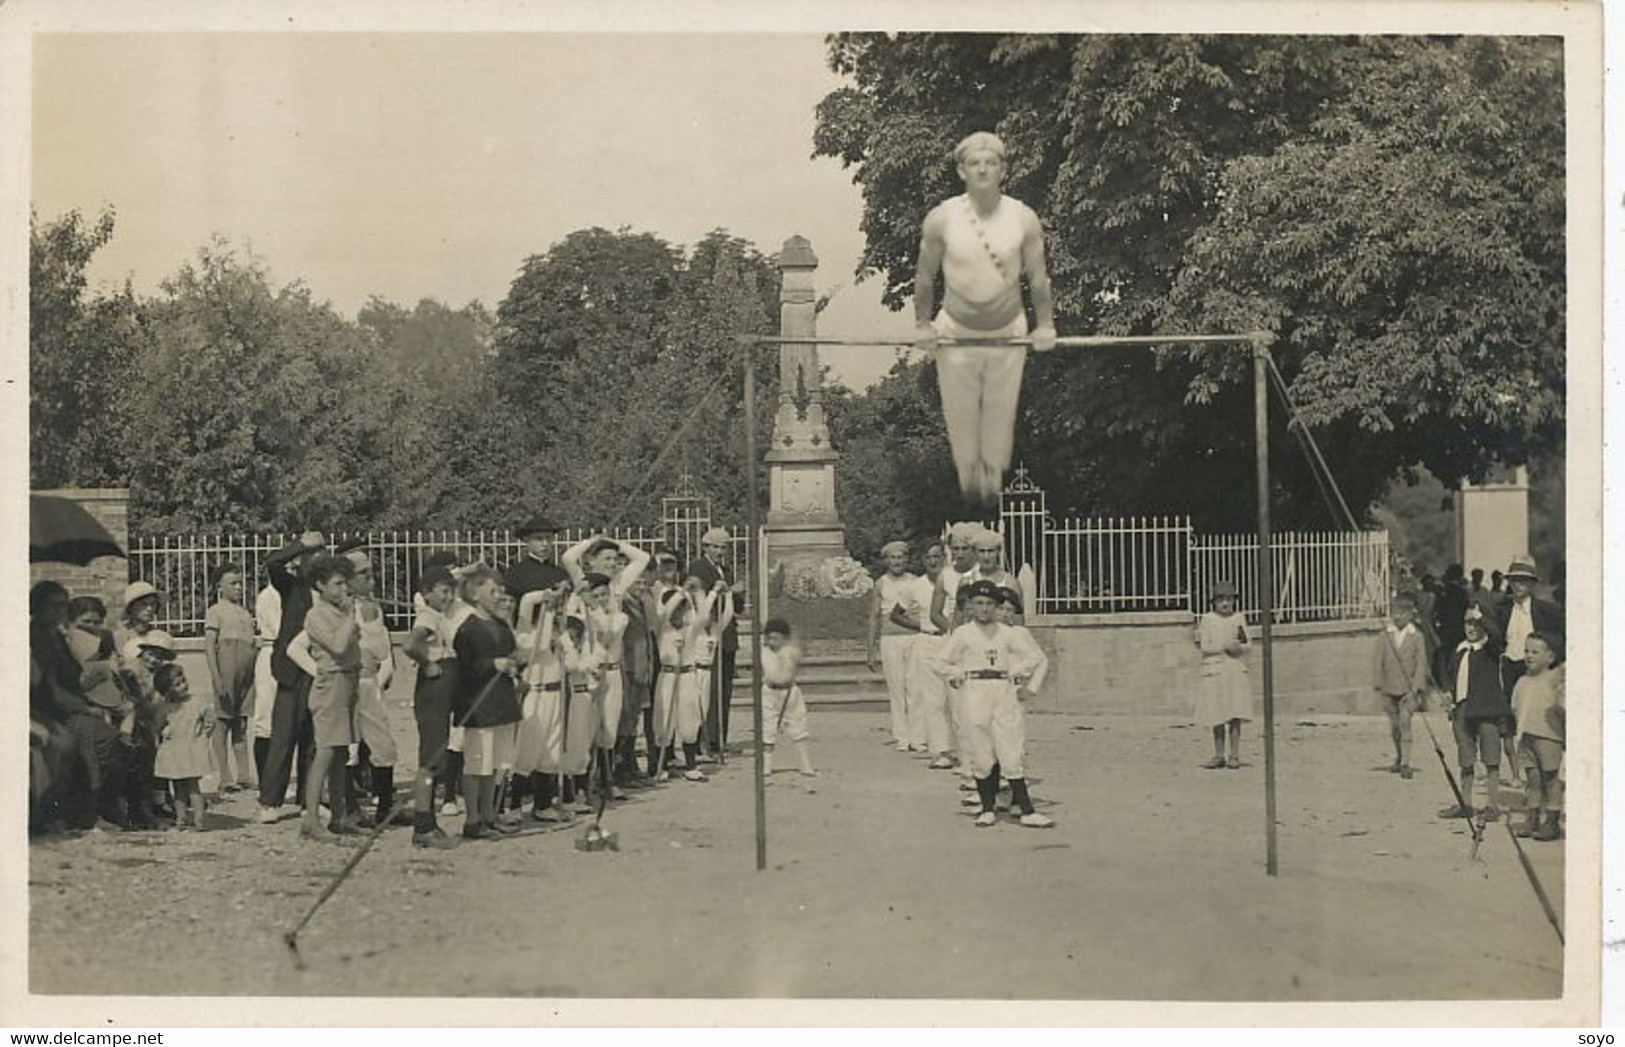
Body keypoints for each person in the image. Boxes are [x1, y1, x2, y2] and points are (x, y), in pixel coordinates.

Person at [913, 131, 1057, 504]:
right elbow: (925, 276)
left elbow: (1038, 277)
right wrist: (922, 324)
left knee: (999, 402)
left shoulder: (1023, 218)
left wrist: (1045, 325)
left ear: (1002, 170)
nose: (982, 170)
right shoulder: (941, 218)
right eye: (974, 163)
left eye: (990, 163)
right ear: (962, 170)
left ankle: (993, 467)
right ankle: (968, 465)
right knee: (960, 405)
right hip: (955, 328)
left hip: (1007, 327)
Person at [929, 580, 1051, 828]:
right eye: (979, 604)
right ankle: (987, 808)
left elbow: (1035, 658)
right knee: (981, 747)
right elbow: (940, 662)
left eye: (989, 604)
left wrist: (1021, 675)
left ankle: (1026, 810)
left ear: (996, 607)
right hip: (974, 691)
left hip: (1003, 690)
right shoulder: (963, 633)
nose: (984, 609)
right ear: (971, 606)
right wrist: (956, 674)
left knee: (1010, 746)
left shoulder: (1007, 633)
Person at [452, 565, 526, 840]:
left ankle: (490, 814)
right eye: (492, 591)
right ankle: (472, 819)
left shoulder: (500, 625)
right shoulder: (468, 629)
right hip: (478, 706)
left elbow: (512, 654)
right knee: (477, 764)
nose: (498, 596)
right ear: (474, 593)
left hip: (501, 704)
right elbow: (464, 668)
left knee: (495, 764)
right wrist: (492, 664)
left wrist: (516, 662)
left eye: (500, 591)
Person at [258, 531, 325, 825]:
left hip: (319, 668)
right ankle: (270, 801)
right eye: (311, 555)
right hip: (291, 671)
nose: (315, 560)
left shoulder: (328, 590)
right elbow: (271, 563)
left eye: (319, 554)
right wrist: (299, 544)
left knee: (313, 740)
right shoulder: (291, 586)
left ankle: (308, 799)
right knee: (283, 737)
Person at [299, 554, 362, 844]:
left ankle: (338, 817)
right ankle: (311, 820)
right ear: (320, 585)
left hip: (349, 681)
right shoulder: (316, 615)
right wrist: (352, 616)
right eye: (337, 584)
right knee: (325, 752)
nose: (343, 589)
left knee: (340, 753)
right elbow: (337, 646)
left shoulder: (338, 612)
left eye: (345, 583)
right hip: (331, 683)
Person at [340, 543, 402, 826]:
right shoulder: (342, 609)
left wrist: (383, 674)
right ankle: (347, 808)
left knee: (383, 746)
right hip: (350, 686)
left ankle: (384, 805)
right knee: (345, 747)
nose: (371, 579)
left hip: (372, 685)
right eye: (364, 574)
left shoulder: (375, 607)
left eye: (371, 573)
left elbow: (384, 649)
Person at [401, 566, 460, 848]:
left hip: (445, 687)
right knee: (431, 757)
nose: (449, 597)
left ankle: (430, 822)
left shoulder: (440, 615)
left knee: (439, 757)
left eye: (451, 591)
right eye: (443, 591)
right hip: (433, 690)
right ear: (426, 594)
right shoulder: (427, 616)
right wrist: (428, 663)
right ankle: (422, 825)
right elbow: (410, 644)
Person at [1438, 607, 1509, 822]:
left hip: (1487, 710)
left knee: (1491, 758)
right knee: (1465, 757)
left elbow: (1496, 635)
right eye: (1468, 623)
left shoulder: (1490, 648)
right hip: (1462, 709)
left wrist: (1482, 617)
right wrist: (1448, 695)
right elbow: (1451, 676)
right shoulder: (1460, 650)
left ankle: (1492, 805)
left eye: (1476, 623)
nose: (1471, 627)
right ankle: (1466, 803)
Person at [686, 528, 745, 758]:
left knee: (724, 690)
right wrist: (729, 590)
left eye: (723, 547)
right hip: (709, 635)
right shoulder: (699, 567)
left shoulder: (726, 570)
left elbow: (737, 606)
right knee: (708, 689)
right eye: (716, 547)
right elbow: (702, 601)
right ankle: (706, 740)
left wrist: (737, 592)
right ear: (706, 547)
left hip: (728, 635)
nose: (720, 551)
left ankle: (720, 737)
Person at [203, 563, 257, 794]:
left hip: (246, 672)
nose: (238, 587)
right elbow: (209, 646)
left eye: (239, 583)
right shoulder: (215, 611)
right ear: (219, 587)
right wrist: (217, 677)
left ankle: (244, 774)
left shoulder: (245, 613)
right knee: (223, 722)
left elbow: (251, 644)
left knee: (241, 723)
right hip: (226, 669)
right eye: (232, 583)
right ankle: (224, 776)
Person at [903, 543, 955, 769]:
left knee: (957, 699)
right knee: (932, 701)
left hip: (953, 642)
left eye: (937, 556)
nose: (932, 561)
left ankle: (965, 751)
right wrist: (920, 626)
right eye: (927, 557)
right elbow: (896, 613)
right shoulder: (916, 586)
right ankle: (940, 751)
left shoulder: (955, 580)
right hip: (927, 642)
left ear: (944, 558)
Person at [868, 540, 921, 753]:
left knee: (915, 688)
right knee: (896, 688)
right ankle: (901, 736)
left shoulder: (916, 581)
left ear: (907, 560)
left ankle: (918, 736)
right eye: (892, 558)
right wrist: (870, 648)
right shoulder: (880, 584)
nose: (896, 562)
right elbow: (873, 617)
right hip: (890, 640)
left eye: (900, 558)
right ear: (886, 561)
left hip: (914, 638)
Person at [1511, 632, 1565, 841]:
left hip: (1548, 737)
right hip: (1526, 736)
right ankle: (1532, 817)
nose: (1529, 655)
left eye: (1535, 651)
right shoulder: (1522, 681)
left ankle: (1552, 820)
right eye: (1526, 651)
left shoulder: (1554, 679)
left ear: (1550, 657)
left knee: (1550, 778)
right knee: (1533, 778)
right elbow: (1515, 706)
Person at [1195, 580, 1251, 770]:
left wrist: (1239, 648)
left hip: (1234, 669)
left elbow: (1247, 643)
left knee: (1235, 712)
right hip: (1215, 669)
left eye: (1229, 599)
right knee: (1216, 713)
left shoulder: (1238, 618)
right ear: (1214, 602)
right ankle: (1219, 755)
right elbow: (1204, 647)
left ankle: (1234, 755)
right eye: (1221, 600)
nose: (1225, 604)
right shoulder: (1208, 619)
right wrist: (1223, 647)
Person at [1372, 592, 1427, 780]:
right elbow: (1377, 660)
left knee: (1405, 722)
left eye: (1402, 613)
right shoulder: (1385, 634)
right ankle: (1399, 755)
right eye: (1394, 612)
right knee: (1394, 726)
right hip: (1389, 687)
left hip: (1408, 689)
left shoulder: (1416, 636)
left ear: (1411, 614)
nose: (1397, 616)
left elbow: (1421, 663)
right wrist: (1378, 682)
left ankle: (1406, 762)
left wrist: (1417, 687)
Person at [151, 664, 213, 830]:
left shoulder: (196, 702)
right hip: (174, 751)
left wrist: (207, 727)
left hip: (191, 748)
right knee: (178, 787)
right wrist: (162, 731)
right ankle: (181, 817)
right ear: (167, 691)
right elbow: (156, 726)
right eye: (177, 685)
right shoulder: (166, 708)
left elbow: (208, 716)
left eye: (183, 681)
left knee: (194, 786)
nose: (183, 686)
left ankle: (199, 819)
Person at [1493, 556, 1565, 697]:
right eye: (1514, 580)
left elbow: (1560, 641)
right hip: (1508, 669)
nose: (1518, 585)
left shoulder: (1547, 611)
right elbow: (1496, 638)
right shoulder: (1501, 609)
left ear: (1532, 583)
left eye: (1523, 580)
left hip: (1536, 670)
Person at [759, 618, 816, 780]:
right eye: (769, 638)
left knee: (798, 725)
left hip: (790, 691)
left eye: (776, 638)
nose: (772, 642)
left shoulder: (790, 650)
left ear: (784, 638)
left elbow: (800, 652)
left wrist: (793, 644)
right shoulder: (763, 652)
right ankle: (766, 765)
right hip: (770, 691)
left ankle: (805, 764)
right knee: (768, 727)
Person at [250, 576, 282, 805]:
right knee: (265, 721)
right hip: (272, 653)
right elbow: (281, 630)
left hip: (289, 654)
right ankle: (265, 785)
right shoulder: (267, 596)